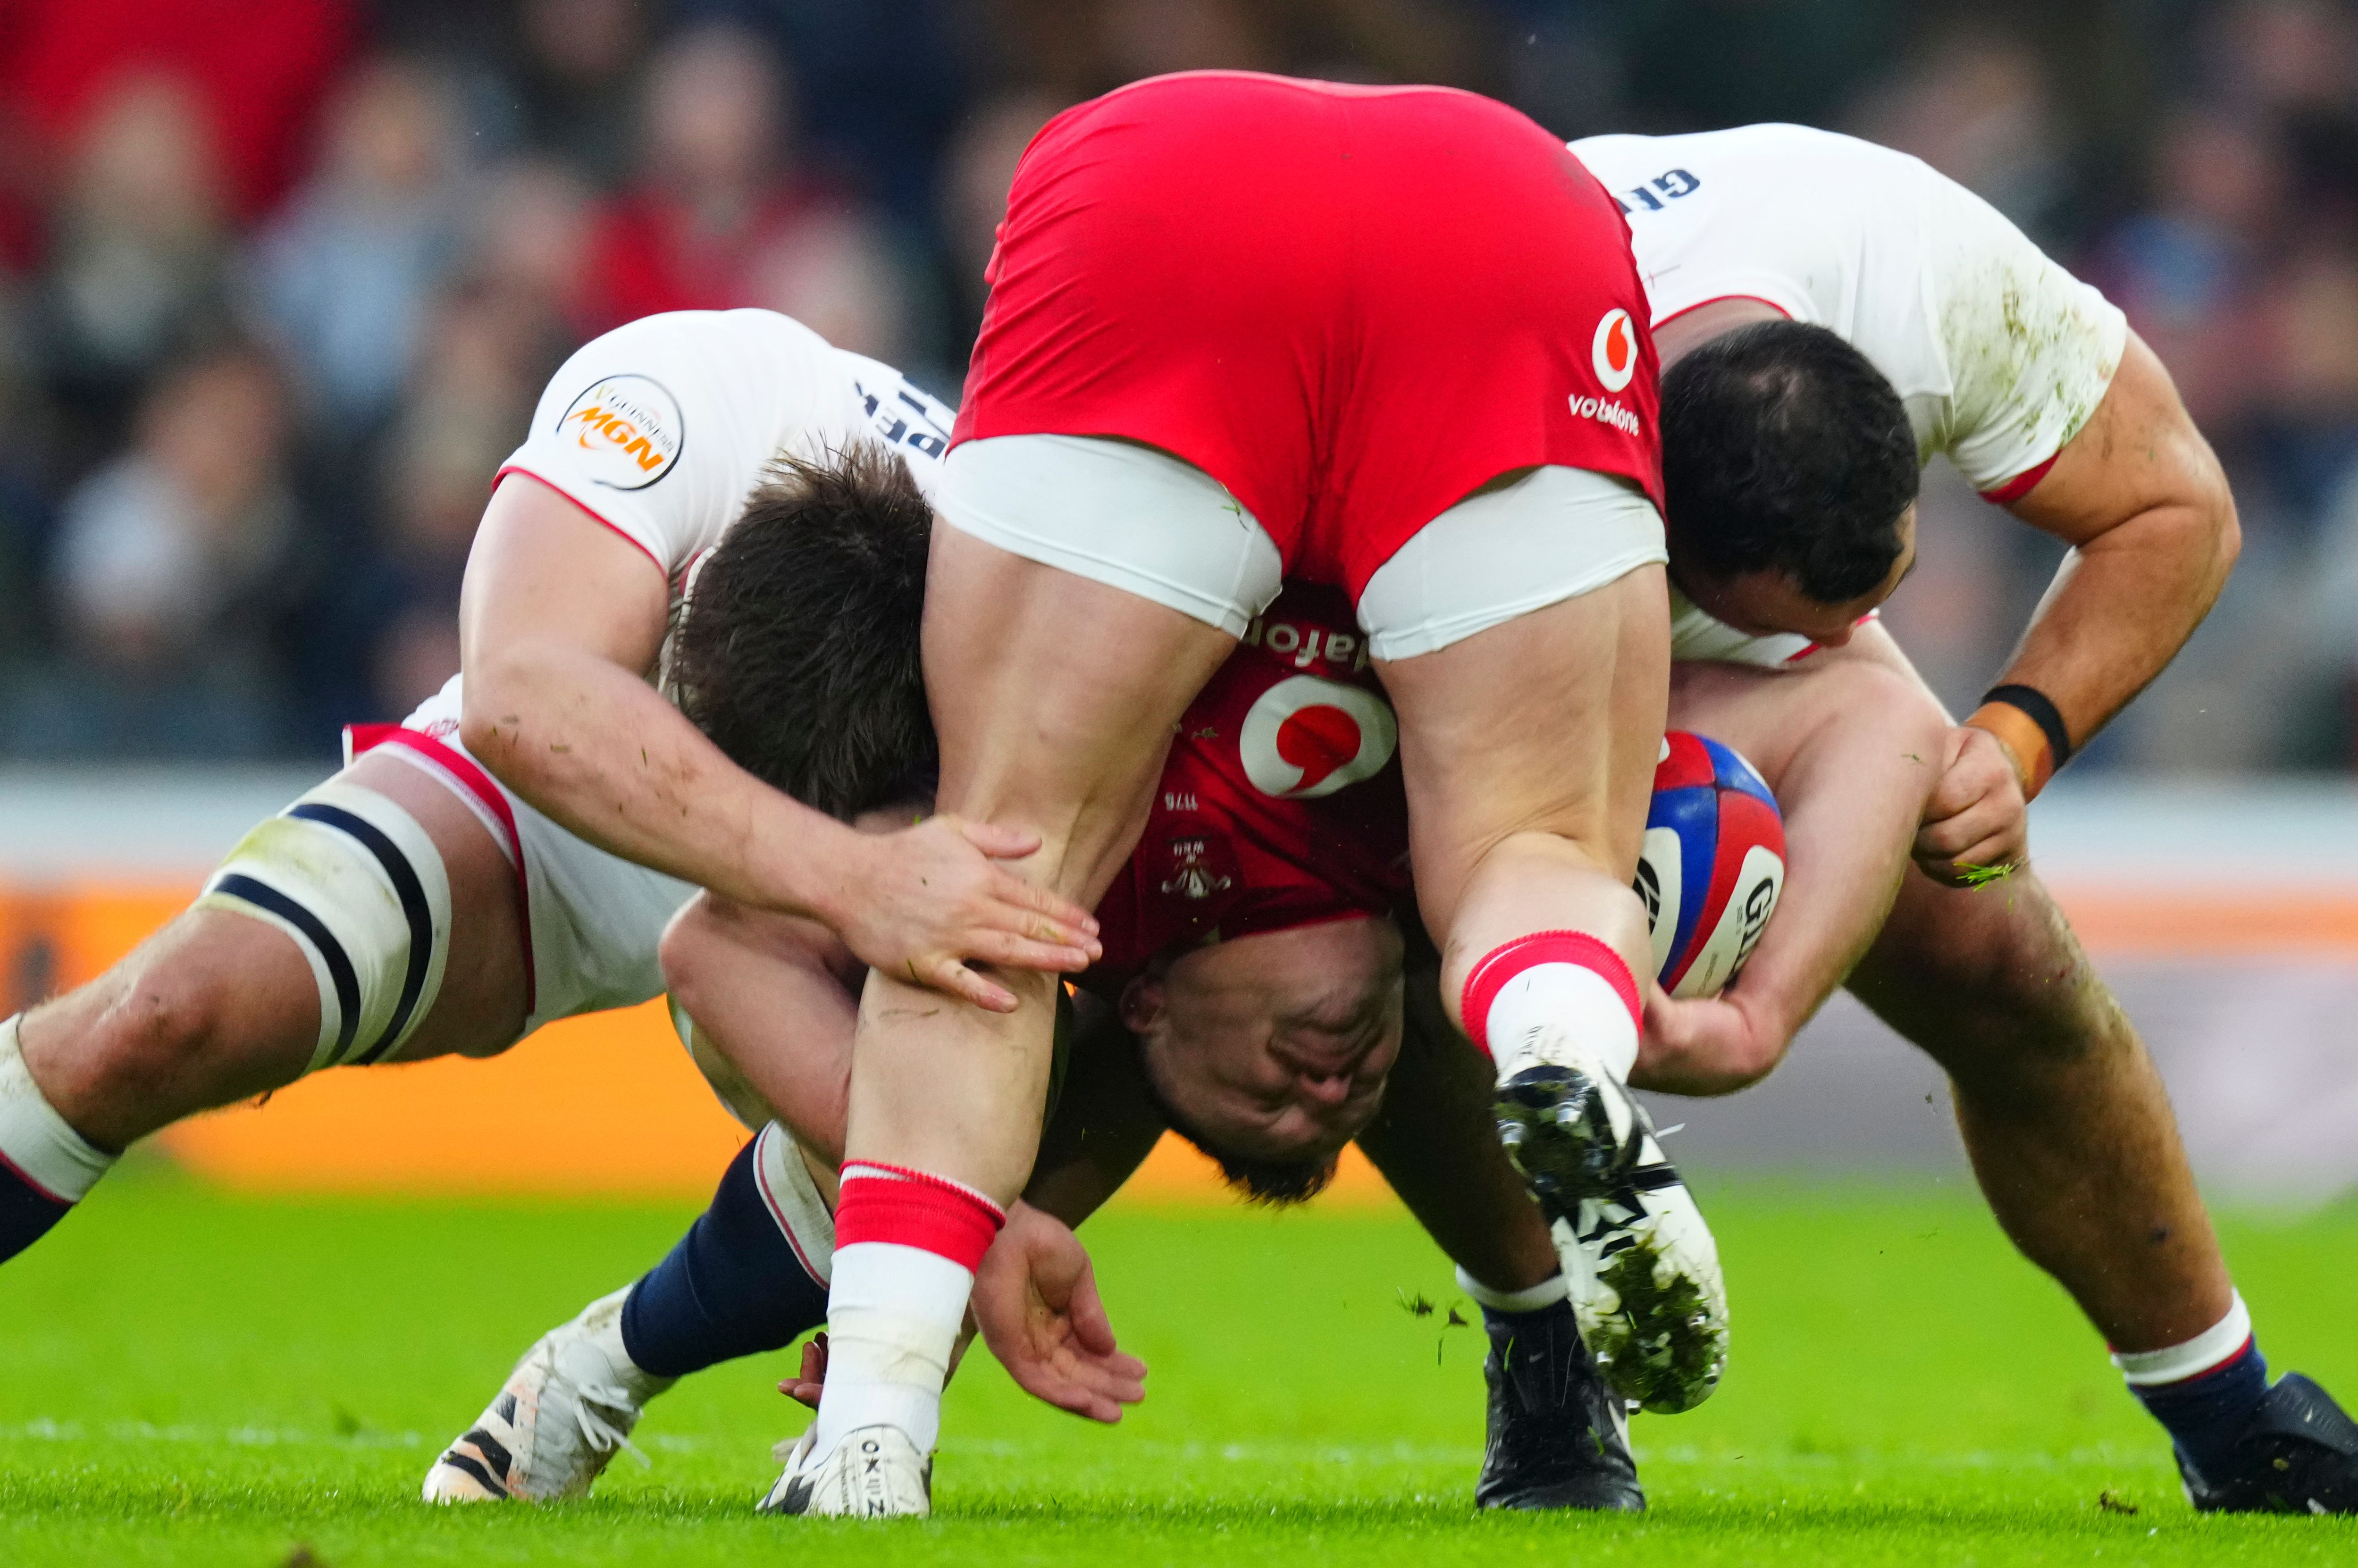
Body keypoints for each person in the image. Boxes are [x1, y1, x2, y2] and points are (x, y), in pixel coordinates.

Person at [789, 69, 1700, 1519]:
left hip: (1177, 192)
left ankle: (867, 1441)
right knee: (1532, 852)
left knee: (991, 888)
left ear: (1136, 1007)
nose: (1330, 1087)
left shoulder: (1124, 915)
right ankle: (1554, 1043)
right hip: (1501, 201)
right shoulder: (1265, 932)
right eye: (1335, 1111)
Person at [1547, 123, 2356, 1515]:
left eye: (1876, 595)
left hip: (1661, 510)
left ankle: (2230, 1419)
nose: (1864, 631)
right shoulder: (1504, 346)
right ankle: (1540, 1385)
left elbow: (2176, 506)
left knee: (2005, 961)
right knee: (1426, 948)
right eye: (1804, 622)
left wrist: (2014, 735)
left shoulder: (1927, 273)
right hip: (1489, 588)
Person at [0, 309, 1101, 1275]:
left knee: (920, 1139)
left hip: (833, 865)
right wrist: (850, 874)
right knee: (164, 1022)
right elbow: (520, 696)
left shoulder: (1017, 600)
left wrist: (977, 1229)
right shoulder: (688, 389)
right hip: (576, 784)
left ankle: (601, 1382)